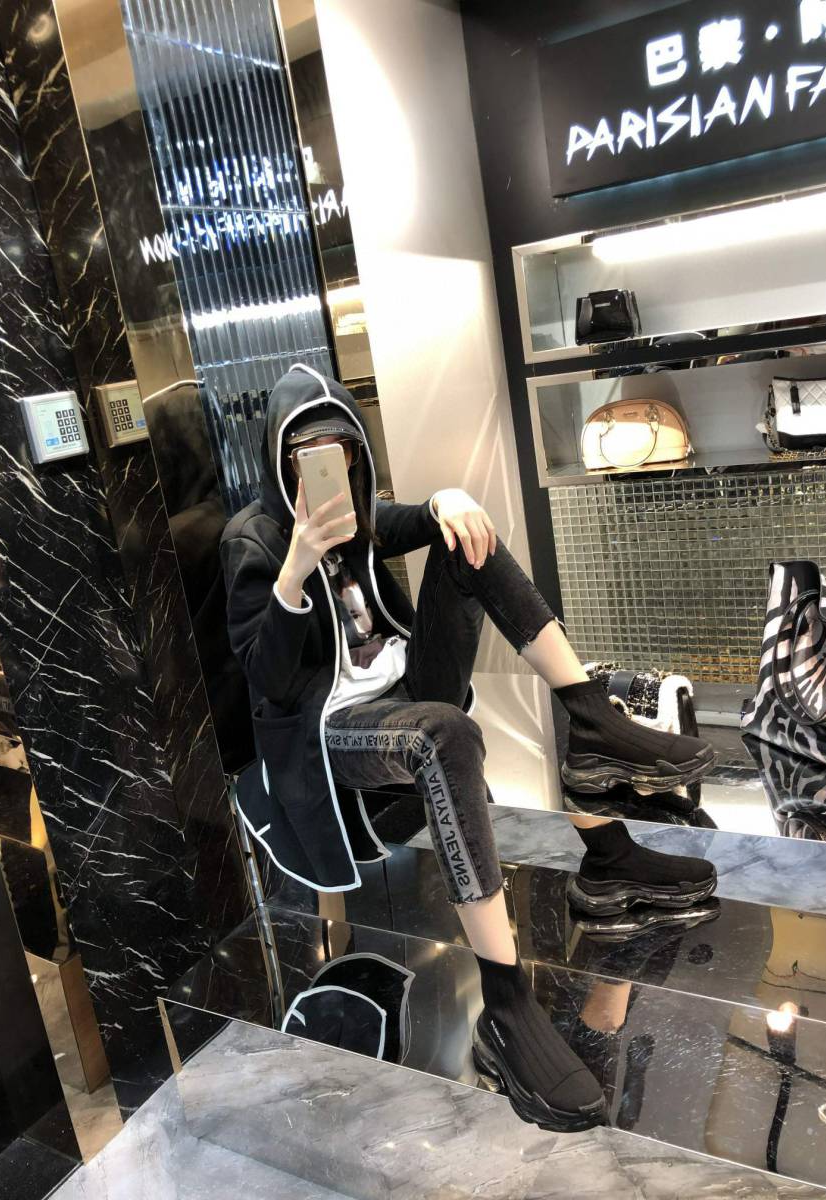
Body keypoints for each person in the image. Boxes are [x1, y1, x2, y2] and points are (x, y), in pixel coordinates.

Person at [222, 363, 717, 1133]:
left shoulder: (358, 512)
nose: (326, 468)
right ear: (281, 460)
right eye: (306, 455)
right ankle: (506, 1002)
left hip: (402, 687)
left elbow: (410, 519)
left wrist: (448, 501)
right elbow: (268, 678)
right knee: (445, 735)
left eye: (340, 451)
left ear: (355, 451)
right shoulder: (252, 539)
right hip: (331, 729)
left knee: (468, 540)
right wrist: (295, 571)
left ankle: (591, 735)